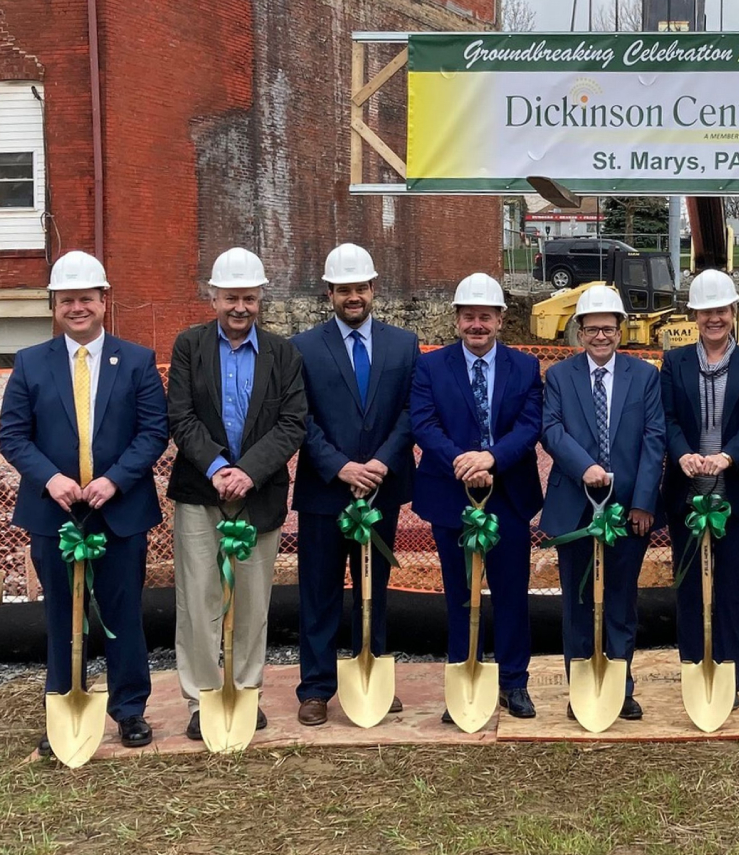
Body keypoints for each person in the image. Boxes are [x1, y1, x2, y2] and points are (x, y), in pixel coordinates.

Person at [0, 251, 169, 754]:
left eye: (86, 299)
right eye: (67, 300)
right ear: (55, 305)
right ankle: (64, 702)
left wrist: (115, 481)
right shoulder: (31, 362)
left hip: (119, 512)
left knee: (122, 613)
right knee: (61, 615)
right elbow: (12, 435)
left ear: (103, 301)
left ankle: (129, 711)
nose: (77, 308)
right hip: (53, 513)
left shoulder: (135, 360)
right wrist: (50, 479)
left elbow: (153, 431)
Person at [166, 246, 306, 739]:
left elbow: (292, 424)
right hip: (200, 494)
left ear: (261, 298)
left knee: (251, 599)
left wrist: (248, 471)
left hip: (259, 493)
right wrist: (219, 467)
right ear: (213, 297)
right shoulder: (189, 347)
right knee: (198, 596)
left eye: (249, 297)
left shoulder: (283, 354)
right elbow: (179, 416)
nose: (240, 307)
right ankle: (202, 698)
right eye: (230, 298)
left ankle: (246, 690)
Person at [290, 243, 419, 726]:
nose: (353, 296)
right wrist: (341, 467)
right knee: (319, 591)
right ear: (329, 293)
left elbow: (411, 412)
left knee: (375, 587)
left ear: (373, 290)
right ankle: (317, 687)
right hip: (326, 491)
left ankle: (373, 673)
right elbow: (298, 418)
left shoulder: (403, 345)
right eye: (344, 289)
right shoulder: (302, 348)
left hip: (381, 489)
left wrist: (382, 464)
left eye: (361, 288)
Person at [409, 272, 544, 721]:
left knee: (511, 593)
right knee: (460, 595)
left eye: (486, 316)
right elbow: (424, 424)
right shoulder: (430, 366)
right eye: (469, 317)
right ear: (457, 320)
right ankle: (463, 677)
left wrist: (491, 459)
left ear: (501, 319)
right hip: (451, 495)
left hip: (508, 495)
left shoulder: (524, 366)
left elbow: (529, 425)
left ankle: (512, 683)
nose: (477, 325)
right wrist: (463, 461)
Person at [539, 285, 664, 721]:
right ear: (579, 331)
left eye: (608, 329)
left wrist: (643, 501)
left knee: (620, 600)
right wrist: (585, 467)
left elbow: (654, 440)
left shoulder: (645, 376)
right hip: (575, 506)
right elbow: (551, 430)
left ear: (620, 330)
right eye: (592, 329)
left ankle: (620, 687)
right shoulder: (559, 376)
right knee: (576, 600)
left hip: (629, 510)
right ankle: (581, 690)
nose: (600, 337)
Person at [660, 270, 739, 708]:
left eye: (722, 310)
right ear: (694, 314)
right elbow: (666, 418)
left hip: (737, 493)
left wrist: (727, 457)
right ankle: (694, 670)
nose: (715, 318)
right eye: (707, 311)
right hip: (686, 493)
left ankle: (731, 677)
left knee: (730, 589)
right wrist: (683, 453)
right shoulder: (675, 362)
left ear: (733, 312)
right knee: (689, 585)